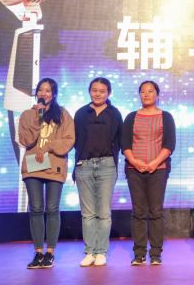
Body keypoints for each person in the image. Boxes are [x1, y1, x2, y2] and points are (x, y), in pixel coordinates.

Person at [18, 78, 75, 269]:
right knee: (35, 208)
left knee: (52, 208)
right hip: (33, 165)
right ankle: (38, 253)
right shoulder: (28, 114)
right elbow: (25, 140)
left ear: (54, 94)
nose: (43, 93)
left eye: (48, 90)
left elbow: (69, 140)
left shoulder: (63, 114)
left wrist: (48, 146)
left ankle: (50, 253)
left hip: (54, 165)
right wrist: (37, 119)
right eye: (41, 90)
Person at [121, 81, 176, 266]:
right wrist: (134, 161)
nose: (146, 94)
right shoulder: (132, 117)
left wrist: (154, 163)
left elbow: (170, 144)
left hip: (158, 170)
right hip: (134, 170)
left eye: (150, 91)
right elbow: (125, 143)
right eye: (143, 91)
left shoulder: (166, 116)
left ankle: (155, 253)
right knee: (138, 212)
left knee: (156, 211)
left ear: (157, 95)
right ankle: (139, 253)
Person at [73, 77, 123, 267]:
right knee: (87, 214)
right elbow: (74, 139)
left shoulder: (114, 113)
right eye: (94, 90)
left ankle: (101, 251)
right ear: (89, 91)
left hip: (107, 165)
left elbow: (120, 139)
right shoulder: (81, 113)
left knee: (103, 213)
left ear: (109, 93)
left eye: (102, 91)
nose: (98, 94)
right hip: (84, 165)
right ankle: (89, 252)